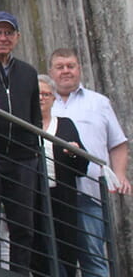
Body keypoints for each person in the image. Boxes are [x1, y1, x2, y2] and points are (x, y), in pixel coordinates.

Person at [49, 47, 130, 277]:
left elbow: (118, 143)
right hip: (55, 194)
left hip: (90, 194)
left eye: (70, 66)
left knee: (93, 259)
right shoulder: (43, 102)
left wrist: (120, 174)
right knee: (58, 263)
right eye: (60, 67)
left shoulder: (99, 103)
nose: (66, 71)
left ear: (79, 69)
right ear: (51, 71)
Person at [0, 11, 42, 273]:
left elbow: (35, 116)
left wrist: (32, 149)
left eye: (8, 33)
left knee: (23, 226)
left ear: (17, 37)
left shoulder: (28, 72)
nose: (2, 38)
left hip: (22, 158)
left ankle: (20, 272)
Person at [34, 74, 88, 277]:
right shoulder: (24, 125)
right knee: (38, 251)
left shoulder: (65, 125)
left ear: (54, 98)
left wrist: (75, 152)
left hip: (63, 196)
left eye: (46, 94)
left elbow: (83, 166)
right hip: (34, 196)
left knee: (67, 249)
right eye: (38, 94)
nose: (42, 98)